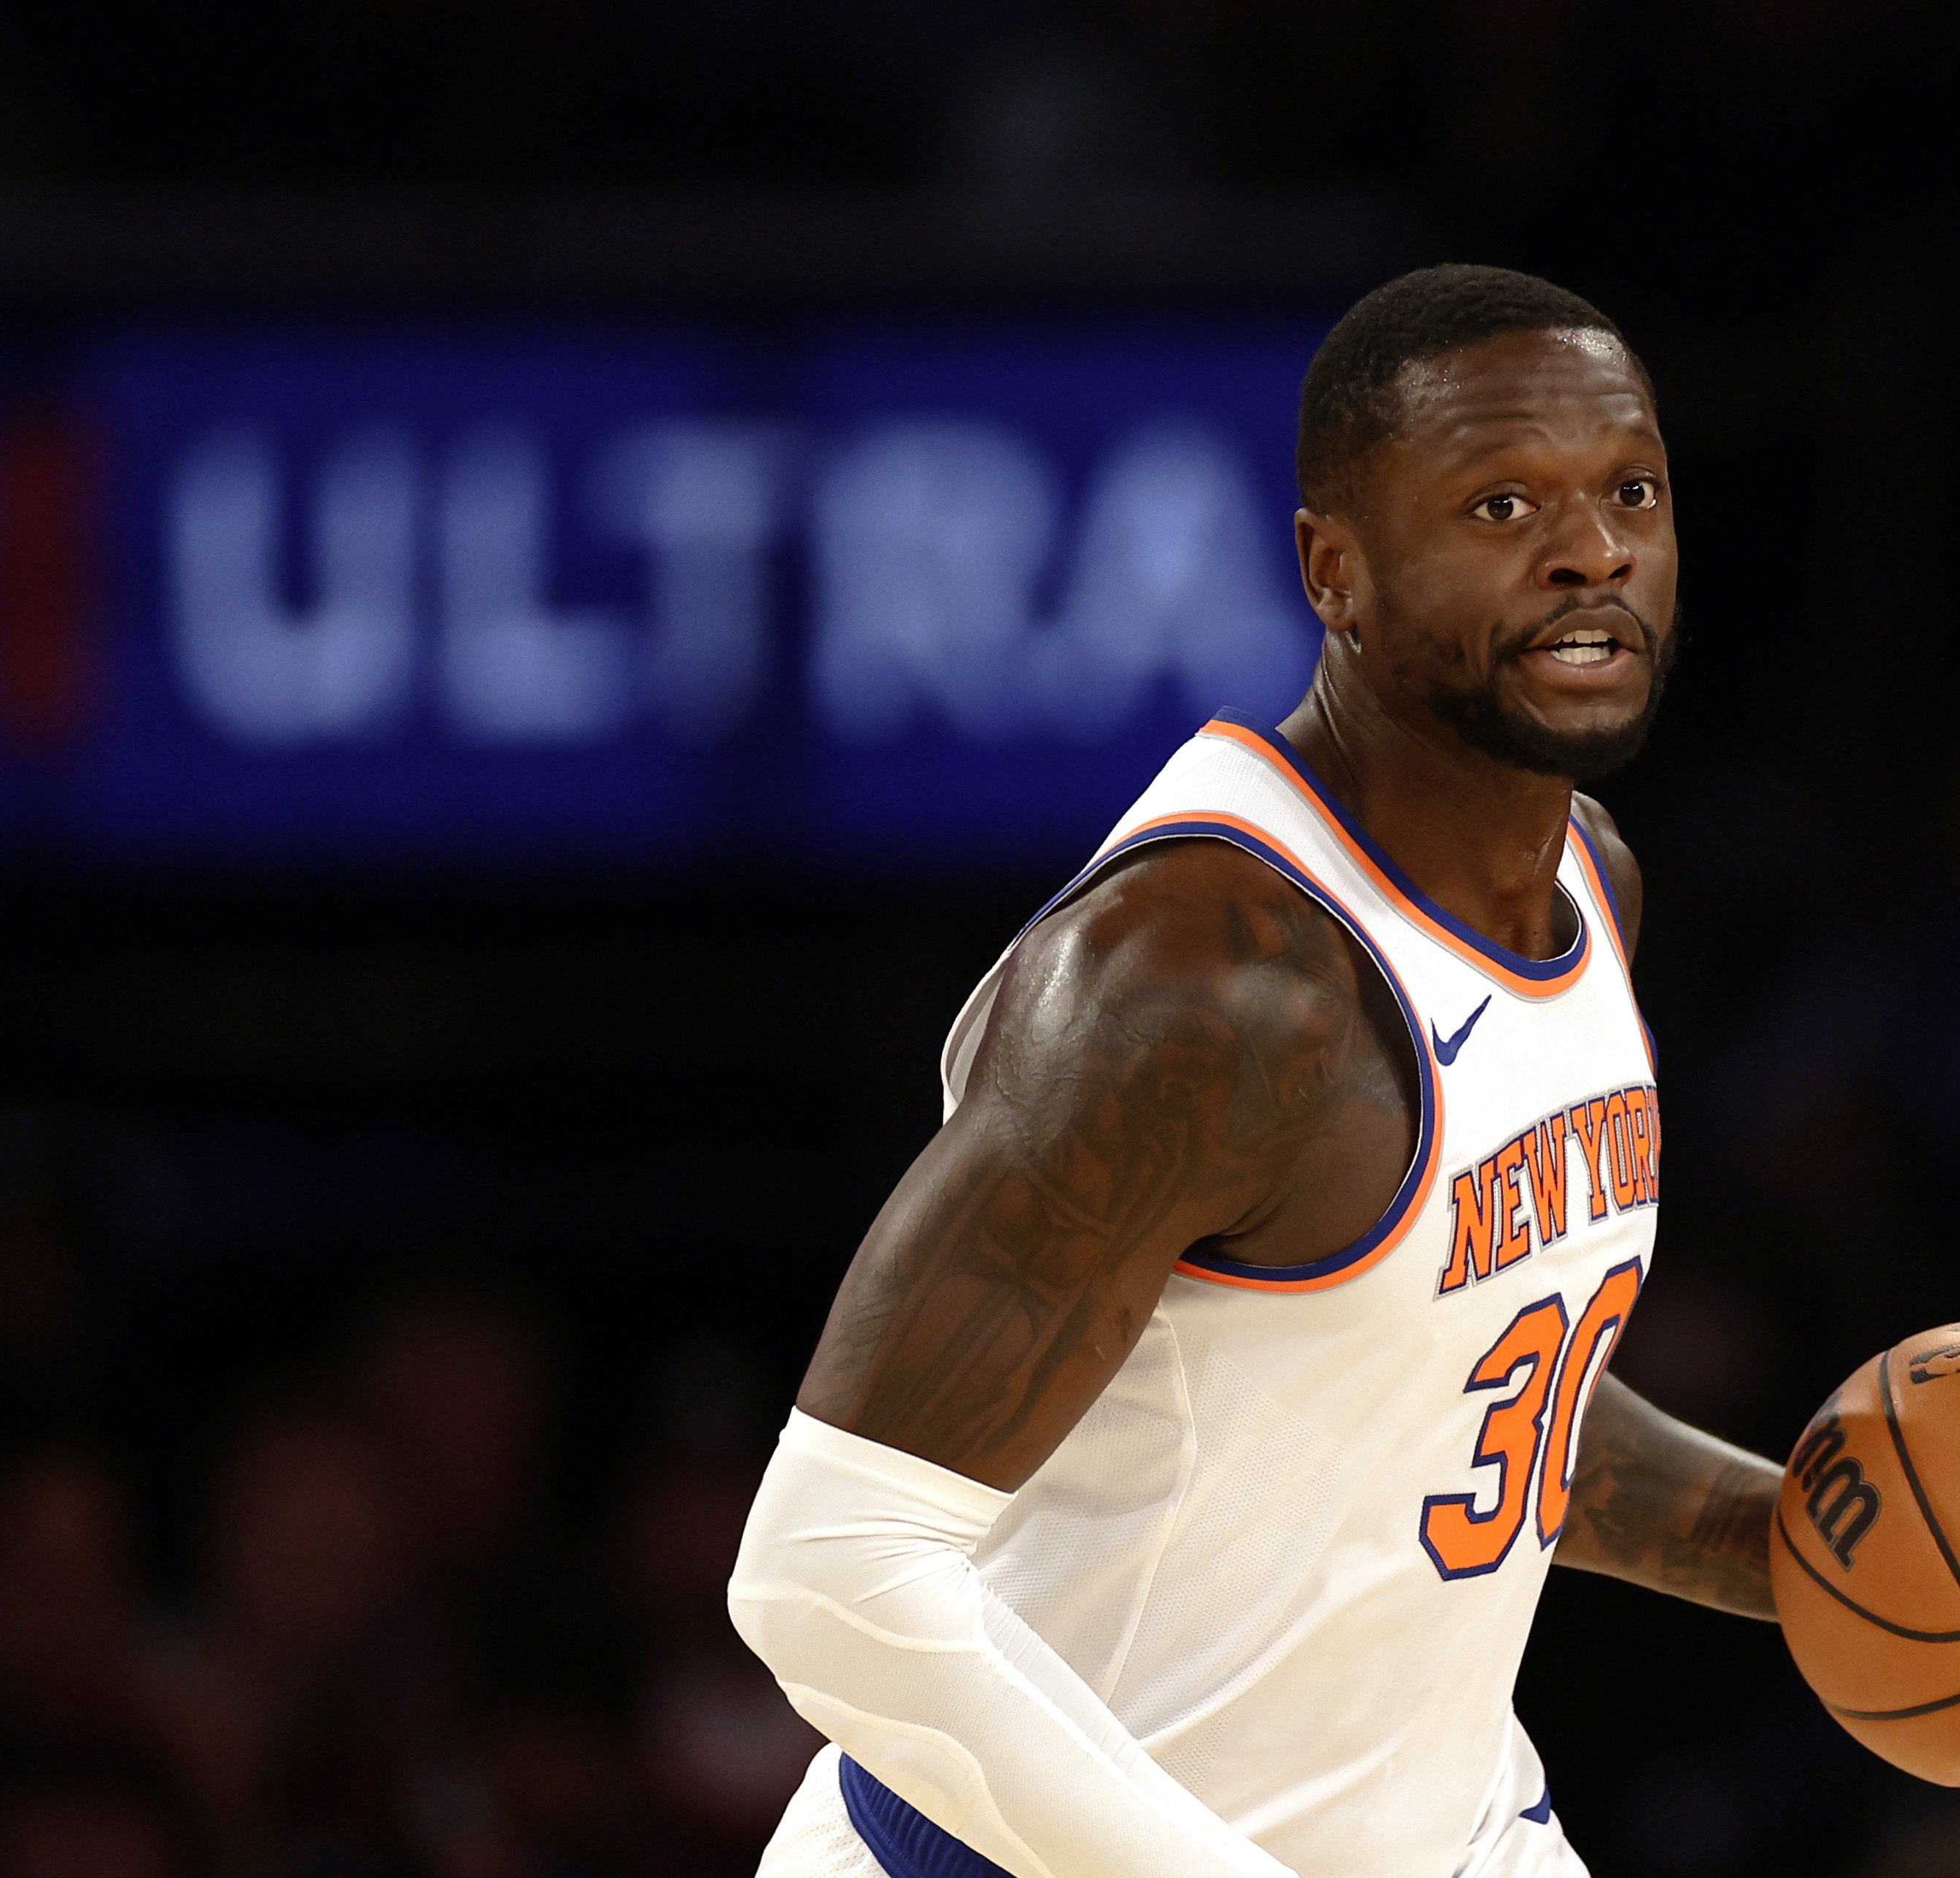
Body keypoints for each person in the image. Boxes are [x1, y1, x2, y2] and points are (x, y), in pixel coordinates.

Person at [728, 264, 1781, 1878]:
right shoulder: (1207, 981)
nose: (1590, 550)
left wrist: (1796, 1548)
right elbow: (826, 1572)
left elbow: (1449, 1378)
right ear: (1333, 572)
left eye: (1626, 489)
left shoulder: (1589, 880)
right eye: (1500, 504)